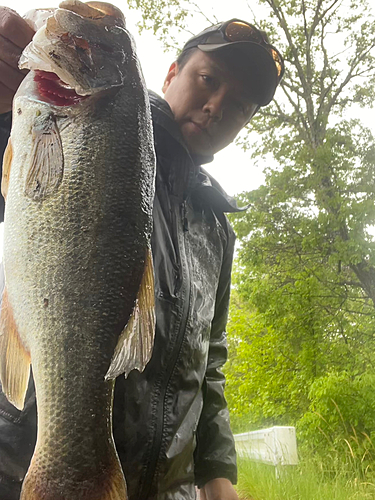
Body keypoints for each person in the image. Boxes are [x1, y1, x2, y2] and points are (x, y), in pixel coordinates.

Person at [0, 7, 284, 500]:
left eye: (240, 105)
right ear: (170, 73)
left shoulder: (217, 229)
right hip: (26, 473)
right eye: (208, 79)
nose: (217, 105)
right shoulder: (87, 123)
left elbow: (208, 366)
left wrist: (218, 480)